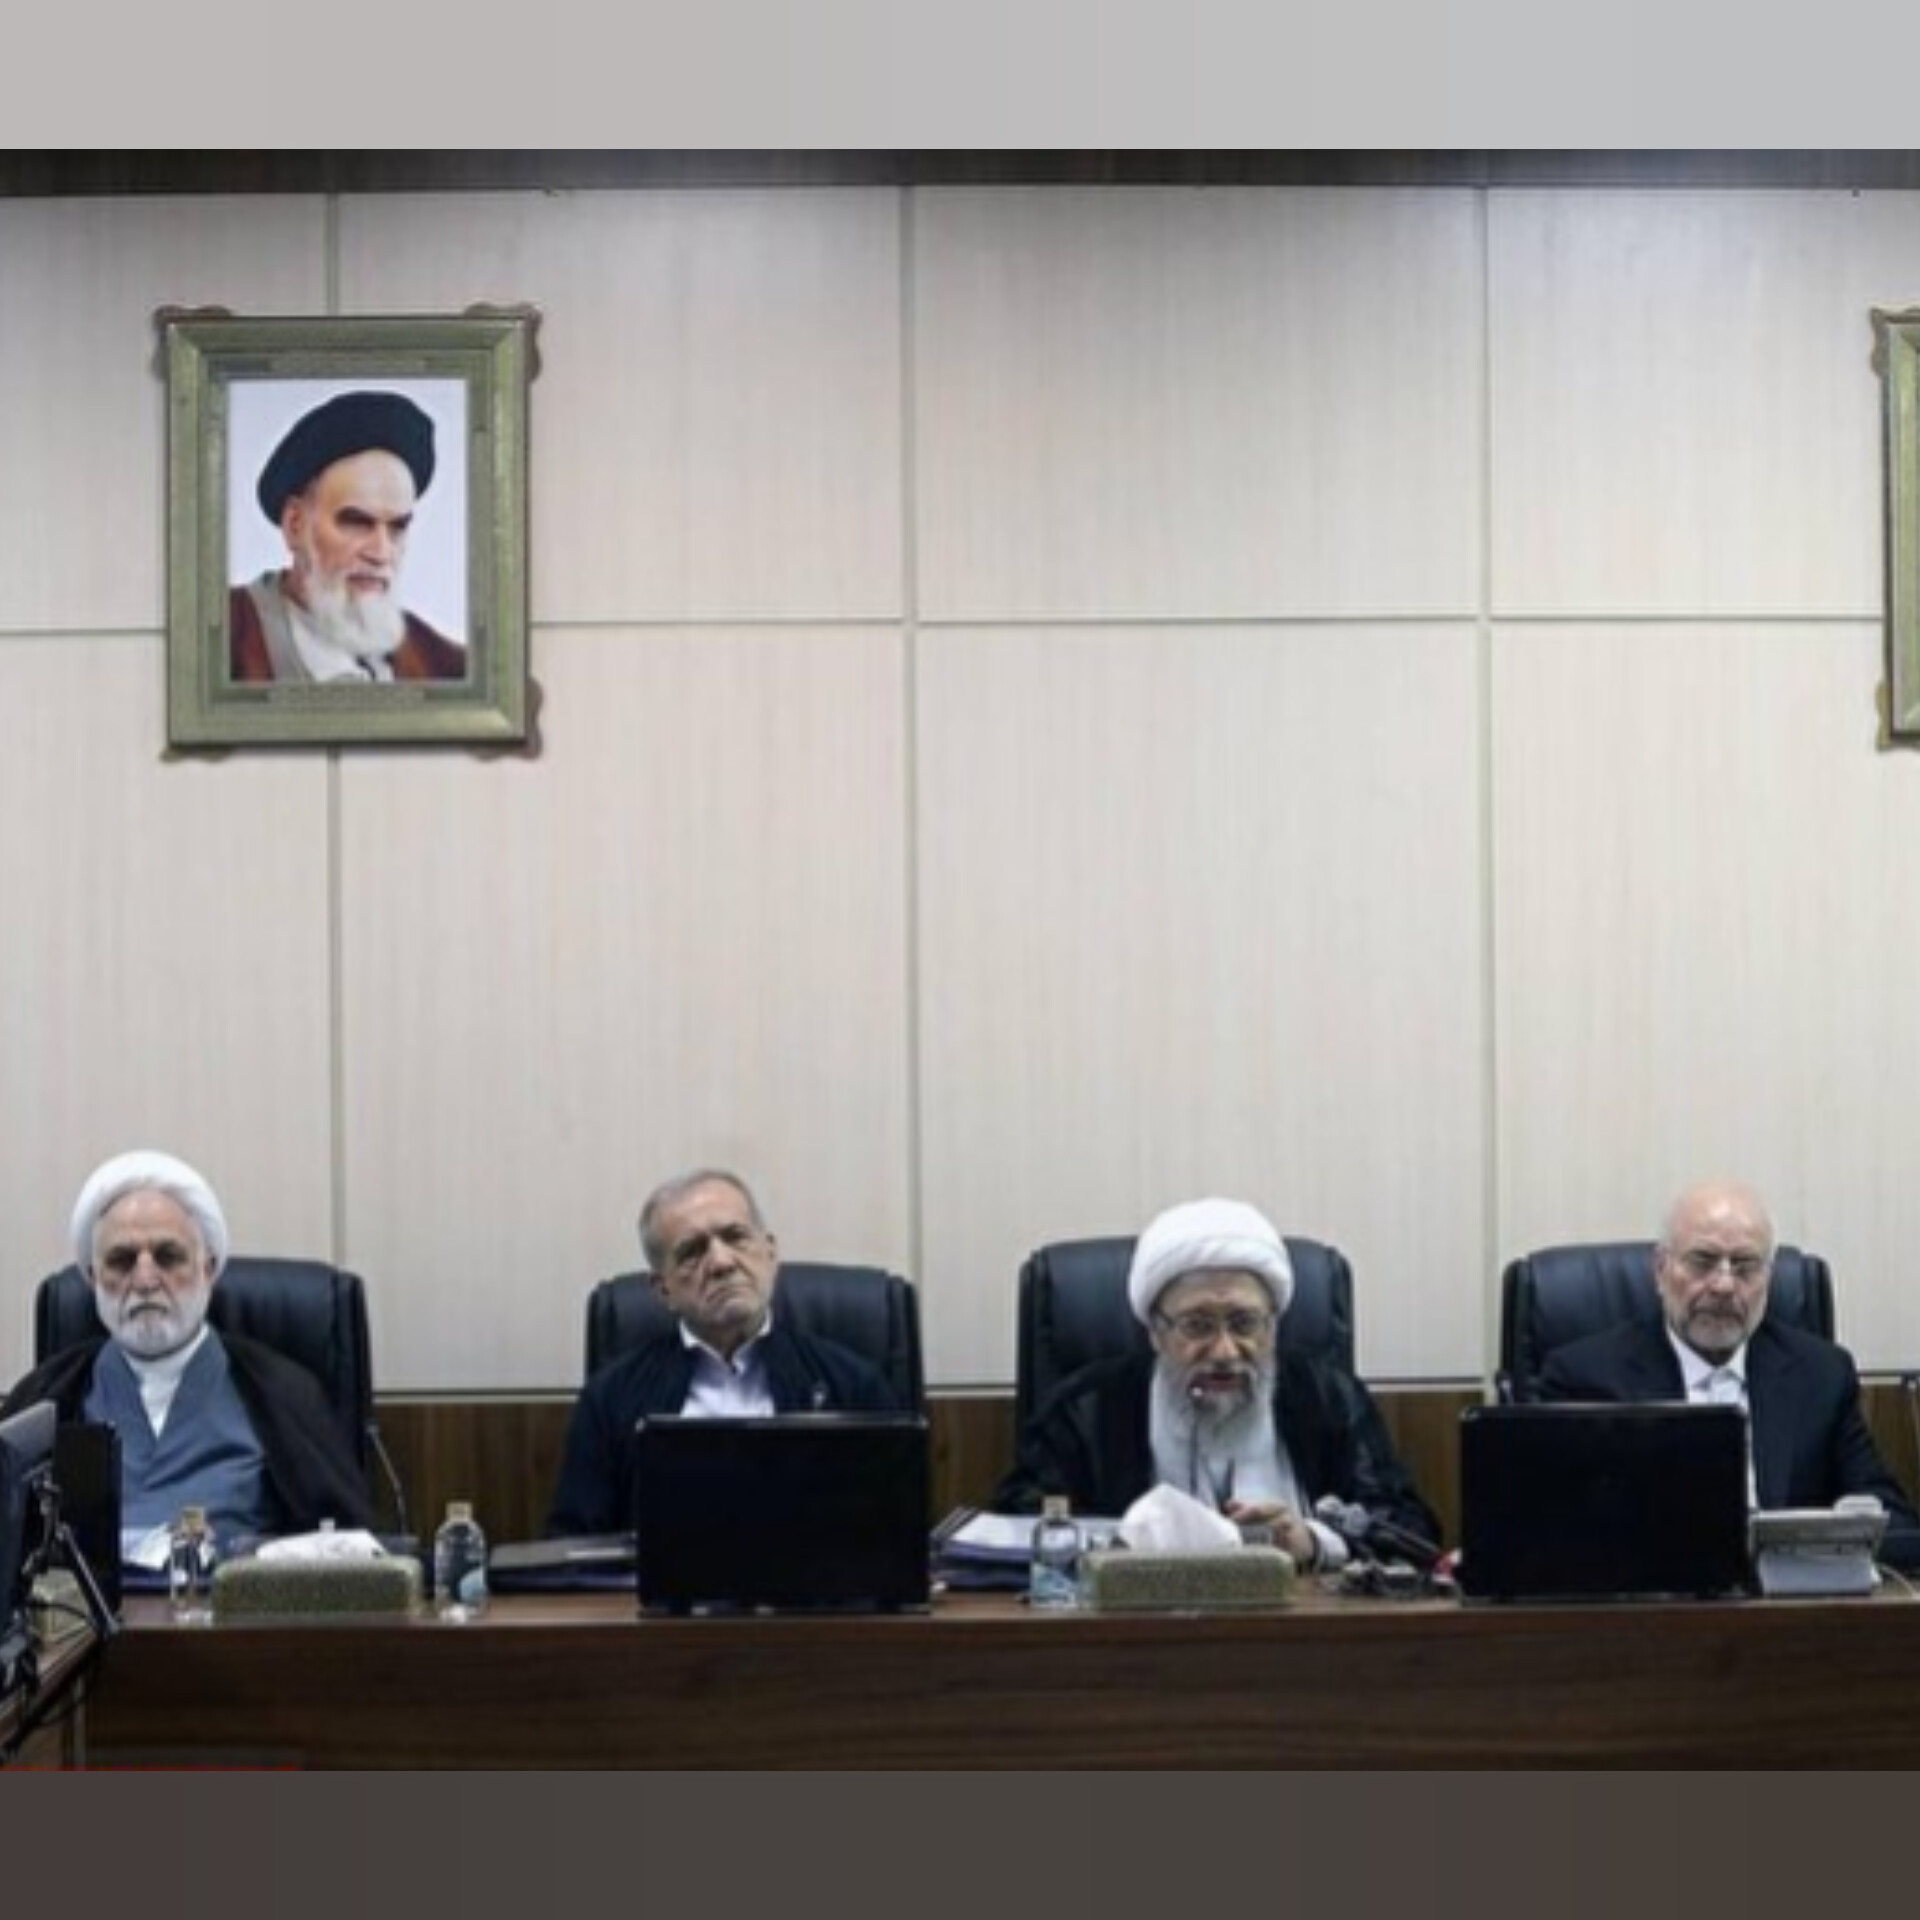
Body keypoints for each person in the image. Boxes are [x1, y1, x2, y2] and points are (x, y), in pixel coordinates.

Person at [995, 1196, 1441, 1573]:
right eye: (1198, 1325)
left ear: (1273, 1327)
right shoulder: (1084, 1408)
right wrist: (1123, 1545)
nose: (1225, 1351)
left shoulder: (1329, 1396)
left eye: (1245, 1323)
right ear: (1155, 1331)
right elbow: (1018, 1529)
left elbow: (1411, 1532)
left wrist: (1314, 1541)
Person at [0, 1150, 372, 1554]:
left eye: (168, 1257)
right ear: (92, 1278)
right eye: (122, 1261)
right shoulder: (44, 1396)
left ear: (207, 1269)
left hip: (237, 1595)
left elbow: (345, 1553)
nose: (145, 1280)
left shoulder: (285, 1393)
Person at [1538, 1178, 1920, 1567]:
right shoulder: (1585, 1378)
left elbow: (1897, 1528)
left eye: (1744, 1267)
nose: (1723, 1285)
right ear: (1660, 1269)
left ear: (1768, 1279)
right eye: (1702, 1262)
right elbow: (1550, 1536)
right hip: (1650, 1598)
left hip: (1790, 1598)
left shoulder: (1821, 1375)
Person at [546, 1170, 903, 1535]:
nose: (721, 1262)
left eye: (735, 1237)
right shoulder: (610, 1399)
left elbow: (898, 1531)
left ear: (770, 1254)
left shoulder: (853, 1384)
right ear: (663, 1289)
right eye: (692, 1251)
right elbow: (574, 1542)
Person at [229, 388, 466, 684]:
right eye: (357, 522)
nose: (381, 553)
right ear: (295, 525)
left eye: (397, 527)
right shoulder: (218, 636)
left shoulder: (446, 664)